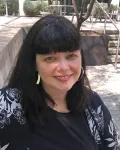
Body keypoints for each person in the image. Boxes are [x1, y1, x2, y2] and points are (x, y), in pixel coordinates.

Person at [0, 14, 119, 150]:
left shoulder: (93, 104)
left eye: (71, 56)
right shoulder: (5, 106)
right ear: (34, 64)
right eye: (50, 58)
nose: (64, 68)